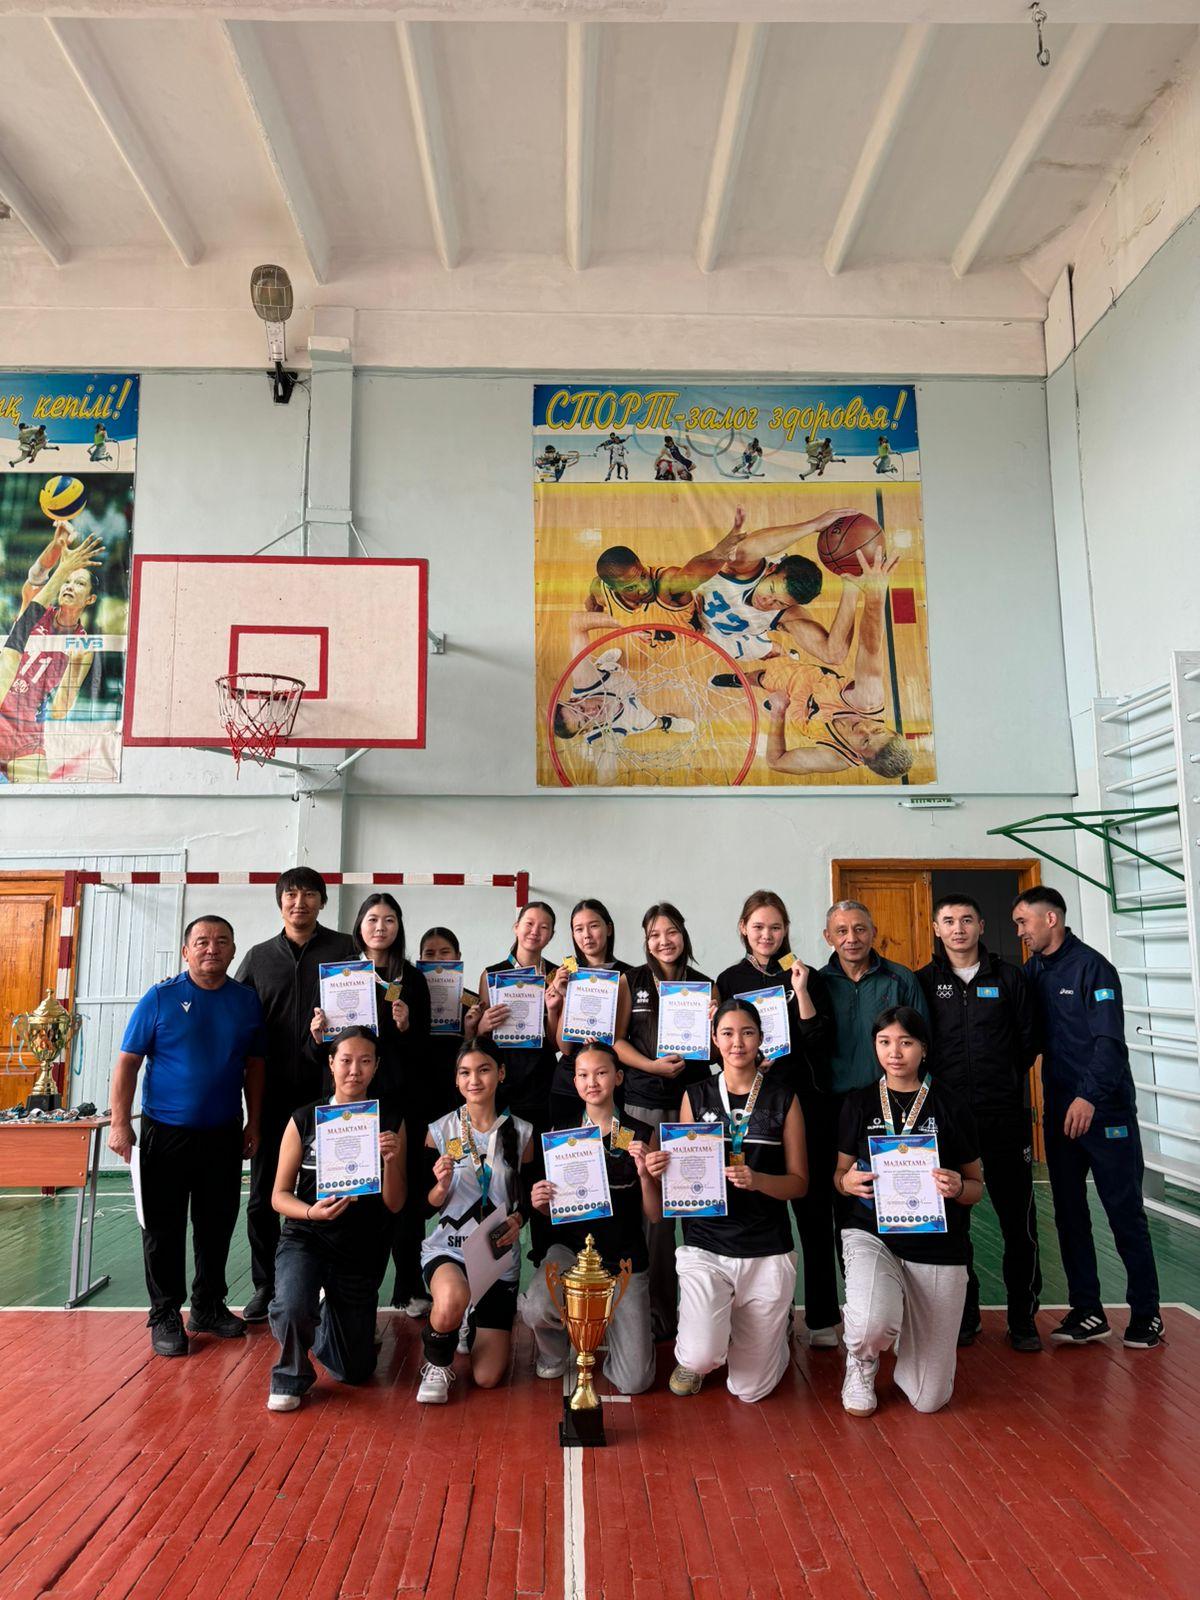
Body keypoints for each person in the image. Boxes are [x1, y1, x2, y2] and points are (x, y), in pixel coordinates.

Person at [107, 916, 265, 1357]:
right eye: (202, 942)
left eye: (221, 941)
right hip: (165, 1134)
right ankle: (164, 1314)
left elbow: (255, 1067)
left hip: (223, 1134)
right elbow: (127, 1064)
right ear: (185, 951)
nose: (211, 948)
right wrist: (119, 1123)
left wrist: (253, 1122)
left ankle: (208, 1306)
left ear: (233, 950)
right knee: (163, 1227)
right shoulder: (160, 998)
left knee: (217, 1225)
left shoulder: (246, 1001)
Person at [1013, 887, 1164, 1348]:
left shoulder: (1093, 967)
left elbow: (1110, 1045)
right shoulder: (1033, 971)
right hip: (1060, 1113)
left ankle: (1147, 1314)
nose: (1019, 932)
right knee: (1069, 1214)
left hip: (1103, 1111)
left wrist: (1088, 1098)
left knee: (1124, 1213)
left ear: (1051, 919)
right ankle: (1087, 1310)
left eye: (1023, 922)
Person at [835, 1007, 983, 1416]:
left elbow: (976, 1187)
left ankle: (908, 1341)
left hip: (938, 1245)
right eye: (884, 1042)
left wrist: (957, 1187)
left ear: (924, 1048)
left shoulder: (951, 1104)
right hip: (872, 1234)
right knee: (871, 1323)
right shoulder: (859, 1102)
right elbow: (839, 1176)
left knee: (929, 1399)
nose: (894, 1052)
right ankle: (862, 1361)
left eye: (906, 1042)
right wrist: (847, 1183)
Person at [917, 894, 1042, 1351]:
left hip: (1004, 1117)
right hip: (949, 1121)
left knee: (1018, 1223)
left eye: (967, 919)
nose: (958, 929)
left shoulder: (1010, 977)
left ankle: (1023, 1320)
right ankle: (964, 1316)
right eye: (949, 921)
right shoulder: (923, 982)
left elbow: (1028, 1041)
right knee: (954, 1225)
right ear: (936, 929)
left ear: (981, 925)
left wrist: (1001, 1080)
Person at [667, 999, 807, 1402]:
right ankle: (696, 1351)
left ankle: (774, 1335)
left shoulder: (784, 1098)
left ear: (761, 1038)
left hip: (765, 1244)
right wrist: (663, 1167)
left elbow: (799, 1183)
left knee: (750, 1390)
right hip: (706, 1242)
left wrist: (758, 1180)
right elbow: (684, 1173)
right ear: (714, 1039)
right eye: (727, 1033)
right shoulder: (696, 1095)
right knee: (701, 1355)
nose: (737, 1042)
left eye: (747, 1033)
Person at [715, 890, 838, 1347]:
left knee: (814, 1212)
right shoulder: (729, 979)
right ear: (743, 928)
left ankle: (822, 1318)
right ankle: (769, 1315)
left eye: (776, 927)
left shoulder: (805, 974)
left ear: (786, 930)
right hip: (752, 1107)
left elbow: (820, 1039)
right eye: (758, 926)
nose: (767, 935)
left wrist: (801, 991)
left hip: (804, 1102)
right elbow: (721, 1043)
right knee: (758, 1210)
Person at [234, 868, 356, 1323]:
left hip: (330, 1091)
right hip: (272, 1094)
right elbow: (237, 1018)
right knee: (264, 1194)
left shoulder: (345, 950)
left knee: (341, 1186)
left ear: (322, 901)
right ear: (280, 902)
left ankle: (336, 1288)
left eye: (308, 894)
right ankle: (267, 1285)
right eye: (290, 894)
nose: (299, 902)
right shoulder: (258, 958)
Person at [266, 1028, 405, 1410]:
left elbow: (395, 1204)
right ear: (331, 1063)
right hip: (307, 1234)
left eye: (365, 1061)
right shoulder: (304, 1118)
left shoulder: (390, 1120)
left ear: (376, 1066)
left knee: (354, 1371)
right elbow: (279, 1196)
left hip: (359, 1244)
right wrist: (311, 1212)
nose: (354, 1070)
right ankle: (290, 1376)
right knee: (293, 1306)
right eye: (345, 1060)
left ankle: (327, 1312)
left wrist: (391, 1162)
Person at [307, 891, 431, 1317]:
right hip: (351, 1099)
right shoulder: (338, 975)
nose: (381, 927)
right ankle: (340, 1285)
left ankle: (409, 1284)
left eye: (389, 919)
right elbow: (321, 1051)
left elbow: (425, 1050)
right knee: (351, 1188)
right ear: (360, 925)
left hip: (398, 1100)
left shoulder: (411, 979)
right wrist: (318, 1035)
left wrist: (406, 1026)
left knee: (402, 1193)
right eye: (373, 919)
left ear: (399, 927)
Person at [522, 1043, 658, 1393]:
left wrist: (645, 1175)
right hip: (571, 1252)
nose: (592, 1082)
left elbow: (655, 1215)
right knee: (536, 1307)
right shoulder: (562, 1132)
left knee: (635, 1381)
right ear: (575, 1082)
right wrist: (540, 1202)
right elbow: (551, 1210)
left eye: (601, 1073)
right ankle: (556, 1351)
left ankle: (611, 1328)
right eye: (583, 1075)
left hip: (623, 1259)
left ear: (618, 1077)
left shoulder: (640, 1134)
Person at [616, 902, 714, 1341]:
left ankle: (698, 1315)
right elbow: (617, 1042)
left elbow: (720, 1049)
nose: (664, 941)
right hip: (643, 1107)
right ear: (646, 941)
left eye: (671, 931)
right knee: (652, 1219)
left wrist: (713, 1024)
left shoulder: (705, 985)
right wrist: (651, 1066)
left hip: (695, 1107)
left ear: (683, 934)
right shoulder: (631, 980)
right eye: (654, 934)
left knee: (696, 1206)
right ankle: (653, 1318)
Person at [417, 1042, 535, 1404]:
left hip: (496, 1256)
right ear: (456, 1080)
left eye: (484, 1070)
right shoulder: (440, 1131)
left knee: (487, 1378)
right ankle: (437, 1363)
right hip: (450, 1250)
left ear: (500, 1073)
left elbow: (528, 1199)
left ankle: (471, 1318)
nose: (475, 1080)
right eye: (465, 1072)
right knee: (452, 1297)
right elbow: (424, 1206)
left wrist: (518, 1218)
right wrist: (440, 1187)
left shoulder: (522, 1132)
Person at [761, 549, 914, 780]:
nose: (863, 728)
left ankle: (760, 667)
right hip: (816, 682)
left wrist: (778, 713)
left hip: (799, 709)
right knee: (783, 663)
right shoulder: (868, 701)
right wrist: (875, 593)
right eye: (877, 729)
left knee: (763, 679)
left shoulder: (834, 758)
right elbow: (870, 647)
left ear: (860, 757)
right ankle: (788, 581)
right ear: (890, 729)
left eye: (865, 740)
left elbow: (776, 761)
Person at [472, 900, 564, 1268]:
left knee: (539, 1177)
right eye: (529, 923)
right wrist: (482, 1026)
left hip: (541, 1086)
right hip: (502, 1090)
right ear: (516, 927)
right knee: (499, 1176)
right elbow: (479, 1040)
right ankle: (490, 1262)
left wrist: (552, 1008)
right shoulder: (492, 974)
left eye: (544, 927)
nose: (534, 931)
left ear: (551, 935)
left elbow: (558, 1043)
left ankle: (544, 1260)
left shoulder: (557, 975)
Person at [695, 503, 863, 671]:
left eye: (780, 603)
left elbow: (834, 655)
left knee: (769, 653)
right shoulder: (745, 570)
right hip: (690, 605)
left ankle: (757, 667)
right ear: (771, 569)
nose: (766, 601)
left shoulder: (789, 615)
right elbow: (746, 548)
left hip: (732, 638)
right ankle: (780, 653)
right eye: (771, 589)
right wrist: (813, 525)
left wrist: (851, 587)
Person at [0, 532, 104, 783]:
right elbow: (37, 575)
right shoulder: (37, 609)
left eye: (79, 583)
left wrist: (75, 664)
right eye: (66, 581)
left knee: (38, 799)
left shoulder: (83, 645)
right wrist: (59, 544)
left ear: (90, 599)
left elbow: (59, 710)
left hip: (25, 732)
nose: (69, 586)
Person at [551, 614, 697, 783]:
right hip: (626, 717)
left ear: (575, 700)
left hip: (607, 682)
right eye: (585, 720)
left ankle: (601, 666)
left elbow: (575, 623)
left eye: (581, 709)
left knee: (604, 669)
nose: (592, 712)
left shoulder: (585, 681)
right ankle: (667, 722)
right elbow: (606, 776)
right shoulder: (603, 741)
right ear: (586, 731)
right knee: (651, 722)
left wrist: (629, 623)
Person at [819, 900, 929, 1095]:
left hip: (891, 1093)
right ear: (828, 937)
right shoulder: (818, 984)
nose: (852, 939)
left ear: (874, 932)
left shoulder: (901, 979)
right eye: (842, 931)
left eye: (860, 929)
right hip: (833, 1096)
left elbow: (922, 1037)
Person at [586, 512, 746, 629]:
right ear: (613, 588)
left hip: (693, 638)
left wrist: (716, 554)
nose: (645, 588)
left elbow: (690, 576)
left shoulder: (665, 583)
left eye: (643, 576)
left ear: (641, 564)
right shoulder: (601, 591)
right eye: (631, 587)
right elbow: (593, 598)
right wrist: (595, 608)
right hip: (649, 636)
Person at [551, 899, 633, 1126]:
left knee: (616, 1144)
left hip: (611, 1081)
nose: (586, 935)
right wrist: (566, 997)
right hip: (569, 1083)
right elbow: (565, 1047)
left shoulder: (630, 975)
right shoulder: (568, 973)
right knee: (570, 1145)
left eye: (593, 926)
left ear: (609, 928)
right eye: (579, 929)